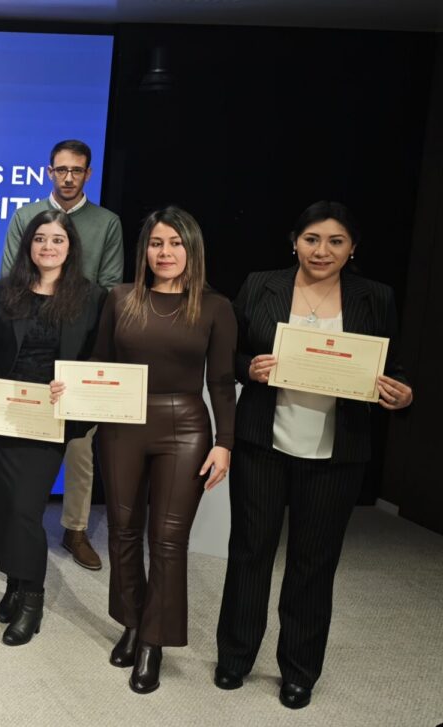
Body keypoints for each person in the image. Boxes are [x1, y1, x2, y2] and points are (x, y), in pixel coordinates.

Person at [214, 201, 412, 710]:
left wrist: (403, 394)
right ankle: (235, 656)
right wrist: (247, 369)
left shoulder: (375, 297)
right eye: (312, 239)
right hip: (264, 442)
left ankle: (299, 670)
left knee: (313, 562)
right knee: (249, 552)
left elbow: (398, 366)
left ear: (352, 248)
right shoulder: (261, 285)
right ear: (294, 242)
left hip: (336, 451)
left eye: (336, 241)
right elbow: (228, 353)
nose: (322, 251)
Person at [54, 206, 234, 694]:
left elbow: (220, 382)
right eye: (157, 243)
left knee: (169, 541)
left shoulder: (215, 307)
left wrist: (225, 444)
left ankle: (153, 642)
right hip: (122, 425)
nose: (165, 252)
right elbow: (98, 363)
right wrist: (69, 390)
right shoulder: (121, 298)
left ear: (191, 249)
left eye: (175, 243)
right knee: (124, 533)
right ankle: (132, 625)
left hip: (185, 427)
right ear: (145, 251)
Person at [0, 209, 105, 646]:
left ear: (71, 247)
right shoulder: (2, 291)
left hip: (51, 419)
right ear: (29, 245)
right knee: (1, 505)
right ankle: (13, 582)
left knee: (25, 510)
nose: (48, 247)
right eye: (41, 239)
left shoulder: (91, 297)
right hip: (5, 414)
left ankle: (32, 598)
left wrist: (78, 391)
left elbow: (97, 361)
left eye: (58, 240)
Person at [0, 139, 125, 571]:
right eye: (61, 170)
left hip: (76, 344)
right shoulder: (24, 216)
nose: (68, 177)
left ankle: (74, 528)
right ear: (49, 172)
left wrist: (74, 305)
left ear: (88, 174)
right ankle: (14, 529)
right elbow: (10, 275)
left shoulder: (107, 222)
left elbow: (110, 286)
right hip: (28, 341)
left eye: (77, 170)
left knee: (79, 451)